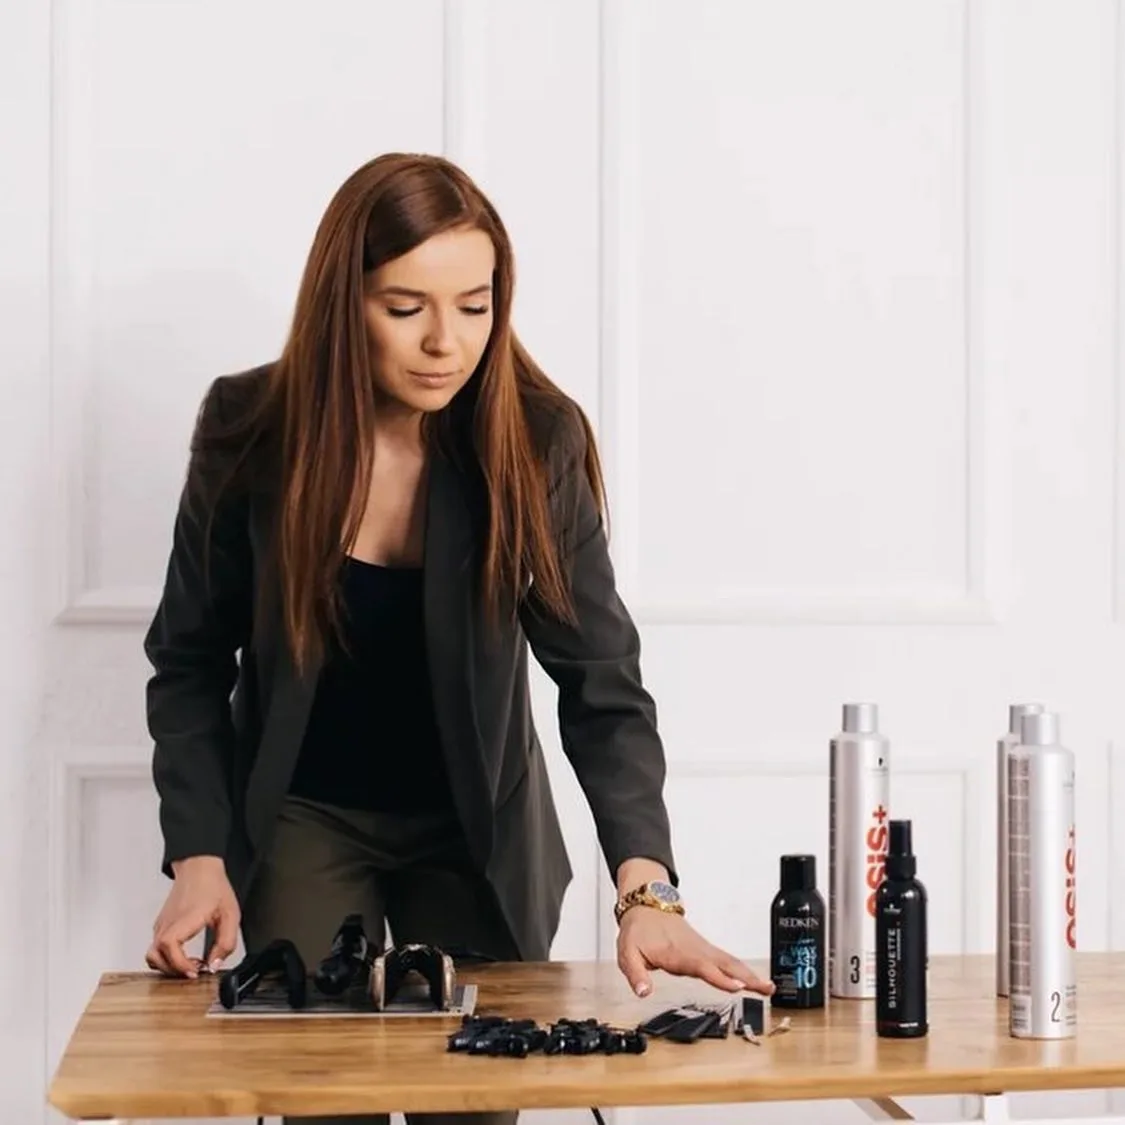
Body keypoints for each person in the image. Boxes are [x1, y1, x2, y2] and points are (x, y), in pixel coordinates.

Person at [142, 152, 772, 1125]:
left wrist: (648, 891)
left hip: (476, 828)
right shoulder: (249, 428)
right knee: (325, 1097)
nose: (447, 341)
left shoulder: (538, 439)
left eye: (475, 305)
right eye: (405, 308)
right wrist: (199, 857)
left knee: (473, 1104)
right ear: (341, 304)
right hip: (305, 814)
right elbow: (187, 663)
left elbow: (601, 684)